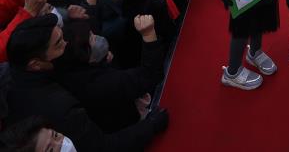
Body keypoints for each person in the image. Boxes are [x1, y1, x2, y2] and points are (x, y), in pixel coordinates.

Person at [5, 13, 169, 151]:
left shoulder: (20, 75)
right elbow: (101, 147)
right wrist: (151, 125)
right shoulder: (61, 106)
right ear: (36, 64)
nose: (66, 44)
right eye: (58, 44)